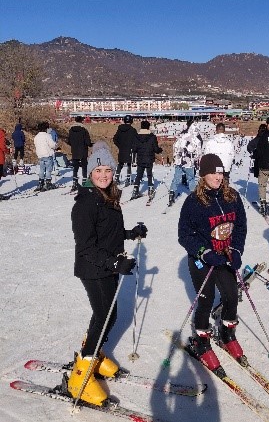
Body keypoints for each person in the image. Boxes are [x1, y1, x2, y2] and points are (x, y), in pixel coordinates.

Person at [68, 145, 147, 405]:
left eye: (107, 170)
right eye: (98, 170)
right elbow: (86, 246)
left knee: (104, 314)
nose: (103, 175)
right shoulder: (85, 204)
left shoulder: (108, 196)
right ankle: (81, 374)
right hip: (94, 268)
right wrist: (113, 262)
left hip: (108, 265)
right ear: (90, 173)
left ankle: (94, 354)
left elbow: (108, 232)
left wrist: (130, 233)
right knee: (106, 316)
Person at [178, 154, 247, 372]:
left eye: (220, 173)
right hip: (203, 260)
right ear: (203, 175)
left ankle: (227, 333)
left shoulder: (232, 197)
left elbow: (240, 227)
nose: (218, 177)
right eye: (213, 173)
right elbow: (184, 235)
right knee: (206, 300)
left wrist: (236, 250)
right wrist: (204, 252)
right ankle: (201, 341)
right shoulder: (193, 202)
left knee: (231, 296)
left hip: (225, 256)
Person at [168, 120, 202, 206]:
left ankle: (171, 194)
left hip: (179, 161)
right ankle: (193, 196)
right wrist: (196, 161)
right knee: (191, 179)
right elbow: (198, 152)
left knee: (176, 178)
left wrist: (175, 157)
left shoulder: (182, 135)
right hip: (189, 163)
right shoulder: (196, 139)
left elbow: (175, 146)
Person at [130, 120, 162, 200]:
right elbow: (156, 149)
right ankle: (150, 190)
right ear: (148, 127)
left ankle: (135, 190)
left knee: (139, 175)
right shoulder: (152, 137)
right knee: (149, 174)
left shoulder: (136, 137)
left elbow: (134, 149)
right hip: (149, 158)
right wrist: (160, 150)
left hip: (140, 159)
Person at [68, 116, 93, 192]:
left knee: (75, 168)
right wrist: (91, 144)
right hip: (83, 151)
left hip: (74, 151)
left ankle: (74, 183)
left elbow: (69, 141)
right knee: (84, 167)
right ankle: (84, 183)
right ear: (81, 121)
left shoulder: (71, 130)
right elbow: (88, 142)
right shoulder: (84, 129)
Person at [113, 115, 138, 187]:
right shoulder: (133, 130)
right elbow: (136, 141)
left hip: (122, 149)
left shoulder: (120, 129)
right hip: (130, 149)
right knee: (129, 164)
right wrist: (134, 148)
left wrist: (120, 146)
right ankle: (128, 179)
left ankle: (117, 178)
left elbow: (115, 139)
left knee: (120, 163)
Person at [33, 122, 58, 191]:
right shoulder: (47, 136)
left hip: (40, 155)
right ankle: (48, 183)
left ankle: (40, 183)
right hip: (47, 154)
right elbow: (52, 145)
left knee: (42, 169)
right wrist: (55, 145)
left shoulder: (36, 136)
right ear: (46, 128)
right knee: (48, 170)